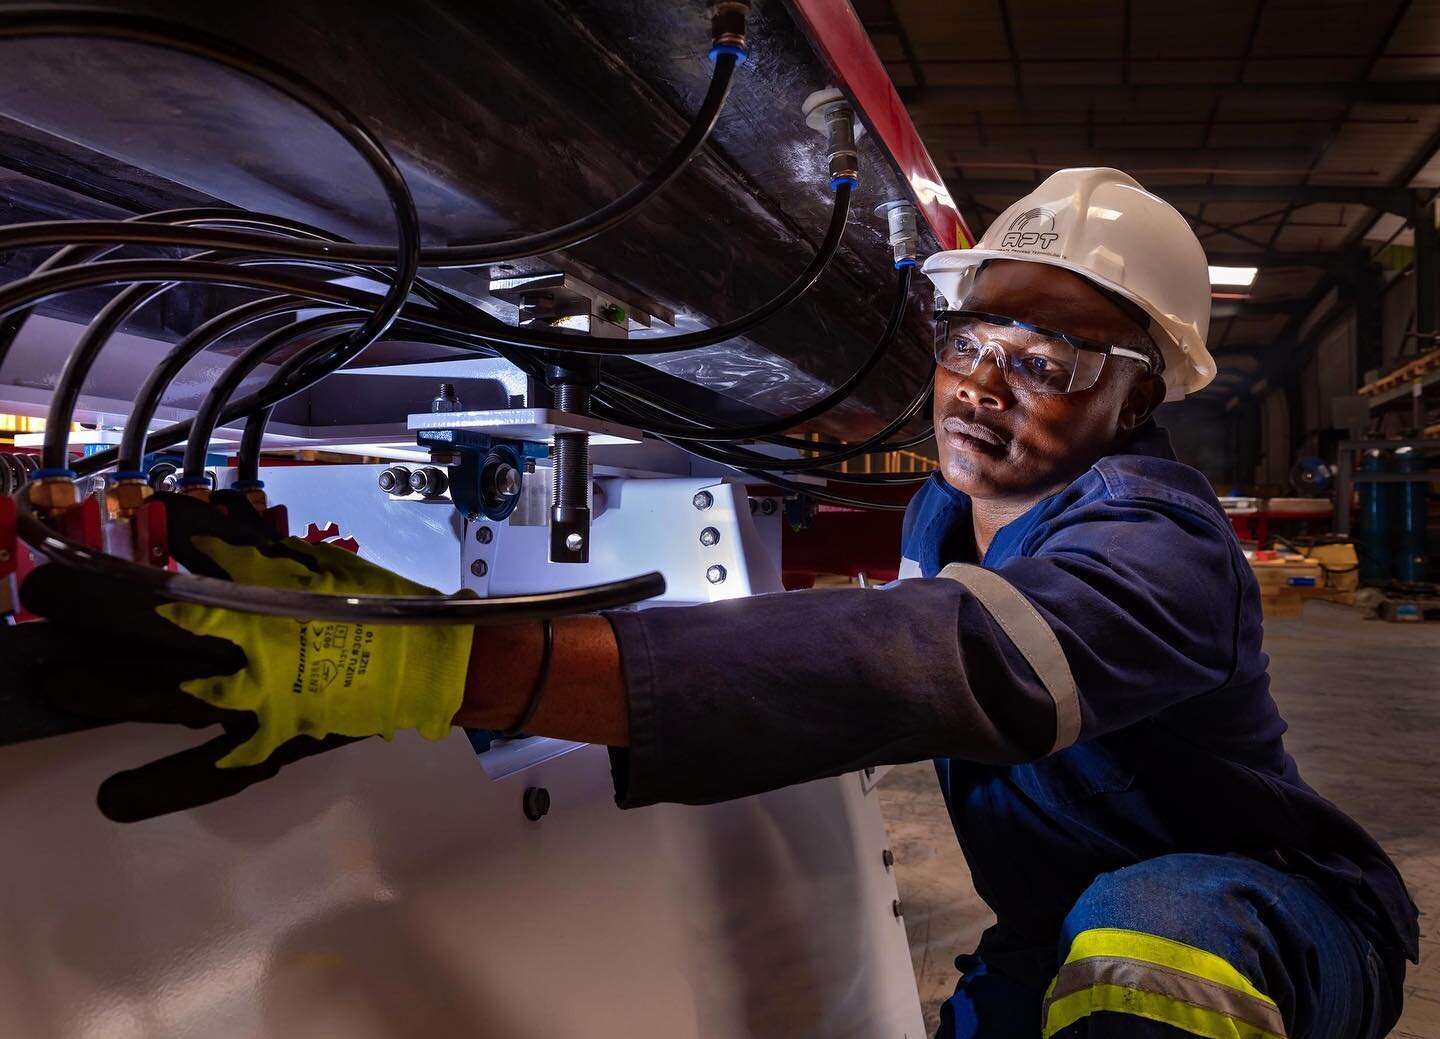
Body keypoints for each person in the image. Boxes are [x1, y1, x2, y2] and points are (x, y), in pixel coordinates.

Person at [15, 168, 1417, 1038]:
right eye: (975, 337)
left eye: (1048, 356)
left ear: (1144, 393)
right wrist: (442, 631)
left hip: (1264, 922)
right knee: (1055, 970)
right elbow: (825, 663)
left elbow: (951, 663)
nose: (984, 382)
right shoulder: (944, 510)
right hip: (1047, 923)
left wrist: (456, 675)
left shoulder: (1161, 541)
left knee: (1149, 942)